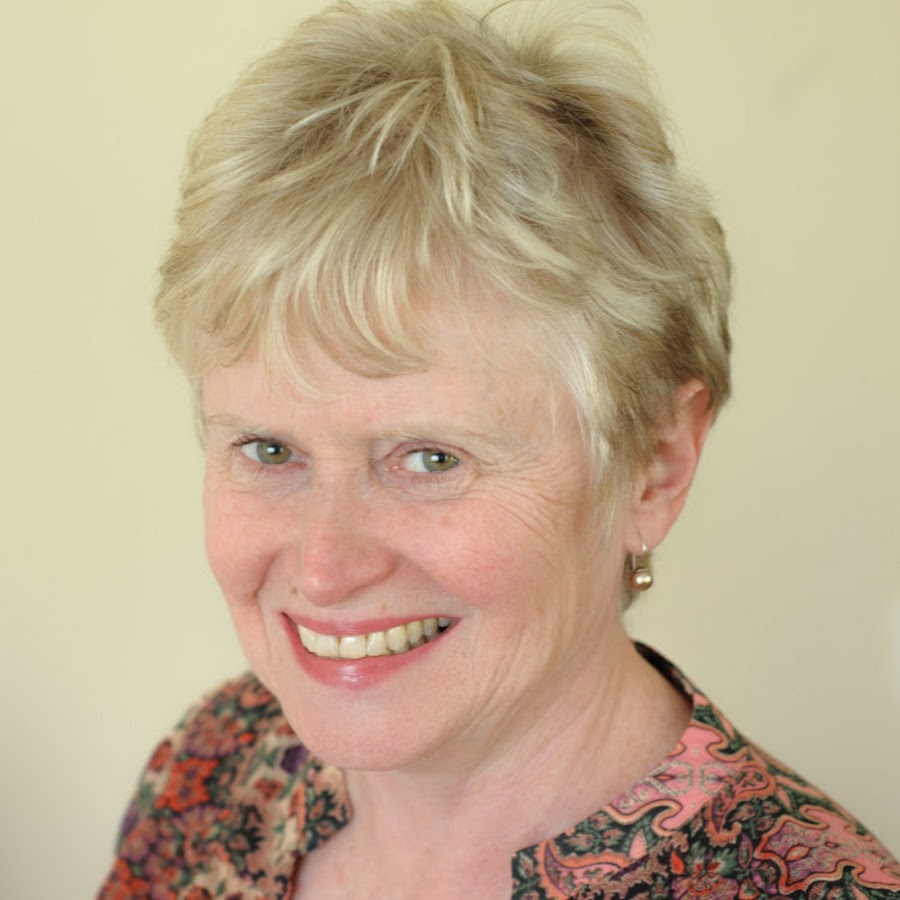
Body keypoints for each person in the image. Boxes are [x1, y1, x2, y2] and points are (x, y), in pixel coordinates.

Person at [98, 1, 900, 897]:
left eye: (430, 459)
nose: (323, 569)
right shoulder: (217, 766)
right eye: (270, 450)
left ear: (655, 467)